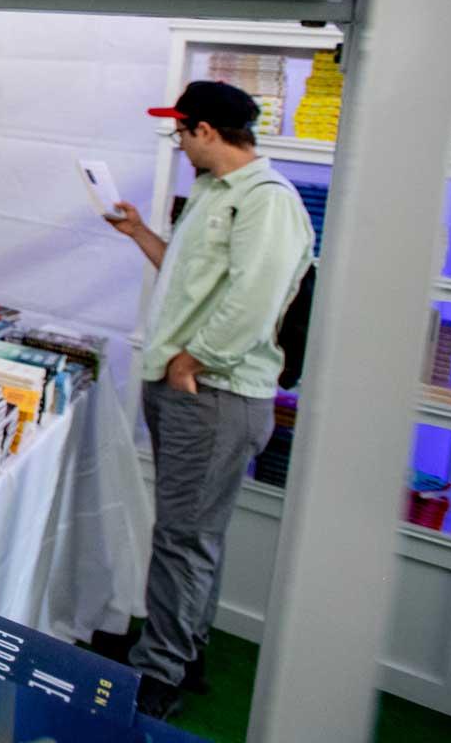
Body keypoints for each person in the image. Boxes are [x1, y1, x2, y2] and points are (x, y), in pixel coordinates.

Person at [107, 81, 314, 720]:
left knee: (183, 538)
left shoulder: (266, 201)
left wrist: (192, 363)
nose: (179, 143)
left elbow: (253, 299)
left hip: (213, 394)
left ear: (204, 131)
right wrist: (141, 233)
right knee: (194, 535)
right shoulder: (211, 196)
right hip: (192, 389)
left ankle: (158, 674)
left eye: (181, 132)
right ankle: (185, 650)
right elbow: (187, 277)